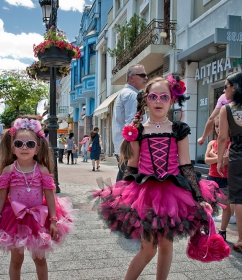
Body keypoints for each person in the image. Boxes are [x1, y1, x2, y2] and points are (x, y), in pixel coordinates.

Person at [93, 75, 227, 279]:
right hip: (144, 194)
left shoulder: (178, 129)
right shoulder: (138, 131)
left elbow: (185, 165)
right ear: (146, 99)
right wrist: (121, 195)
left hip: (173, 194)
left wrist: (199, 197)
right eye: (153, 96)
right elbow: (133, 164)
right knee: (148, 249)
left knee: (166, 245)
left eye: (164, 97)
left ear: (172, 100)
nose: (158, 101)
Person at [0, 117, 74, 279]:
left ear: (37, 149)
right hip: (14, 220)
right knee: (16, 260)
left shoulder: (42, 170)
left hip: (38, 219)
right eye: (19, 144)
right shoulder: (8, 171)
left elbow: (50, 196)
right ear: (12, 147)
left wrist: (53, 220)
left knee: (40, 259)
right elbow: (1, 198)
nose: (24, 147)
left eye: (30, 144)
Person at [217, 72, 242, 252]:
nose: (224, 89)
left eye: (226, 85)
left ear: (234, 87)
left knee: (239, 199)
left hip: (237, 157)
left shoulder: (227, 109)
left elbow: (222, 137)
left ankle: (241, 239)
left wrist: (219, 160)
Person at [112, 64, 148, 181]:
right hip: (130, 147)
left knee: (124, 178)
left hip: (124, 146)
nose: (146, 78)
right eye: (142, 75)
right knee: (127, 181)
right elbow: (132, 125)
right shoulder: (132, 95)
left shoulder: (125, 93)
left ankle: (116, 198)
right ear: (131, 77)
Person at [204, 115, 234, 240]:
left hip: (225, 178)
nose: (218, 129)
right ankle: (207, 227)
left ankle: (222, 230)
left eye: (221, 126)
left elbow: (226, 161)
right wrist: (218, 158)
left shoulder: (232, 144)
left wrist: (213, 155)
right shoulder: (212, 143)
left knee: (225, 205)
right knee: (208, 204)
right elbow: (206, 160)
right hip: (211, 177)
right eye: (216, 126)